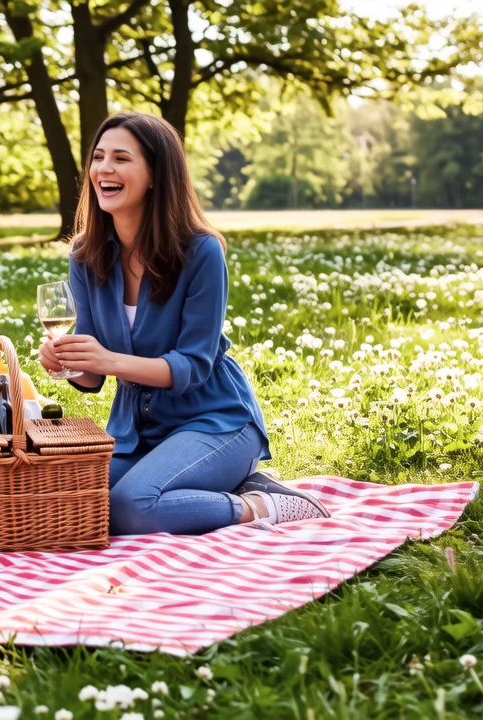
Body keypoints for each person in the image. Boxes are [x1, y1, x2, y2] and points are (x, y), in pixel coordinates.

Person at [38, 112, 329, 534]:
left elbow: (192, 367)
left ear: (156, 175)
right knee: (67, 499)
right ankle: (215, 485)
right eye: (99, 157)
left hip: (215, 421)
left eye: (121, 158)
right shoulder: (86, 256)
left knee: (132, 507)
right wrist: (67, 362)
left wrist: (107, 360)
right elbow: (92, 378)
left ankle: (261, 504)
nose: (104, 169)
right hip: (136, 431)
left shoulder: (201, 252)